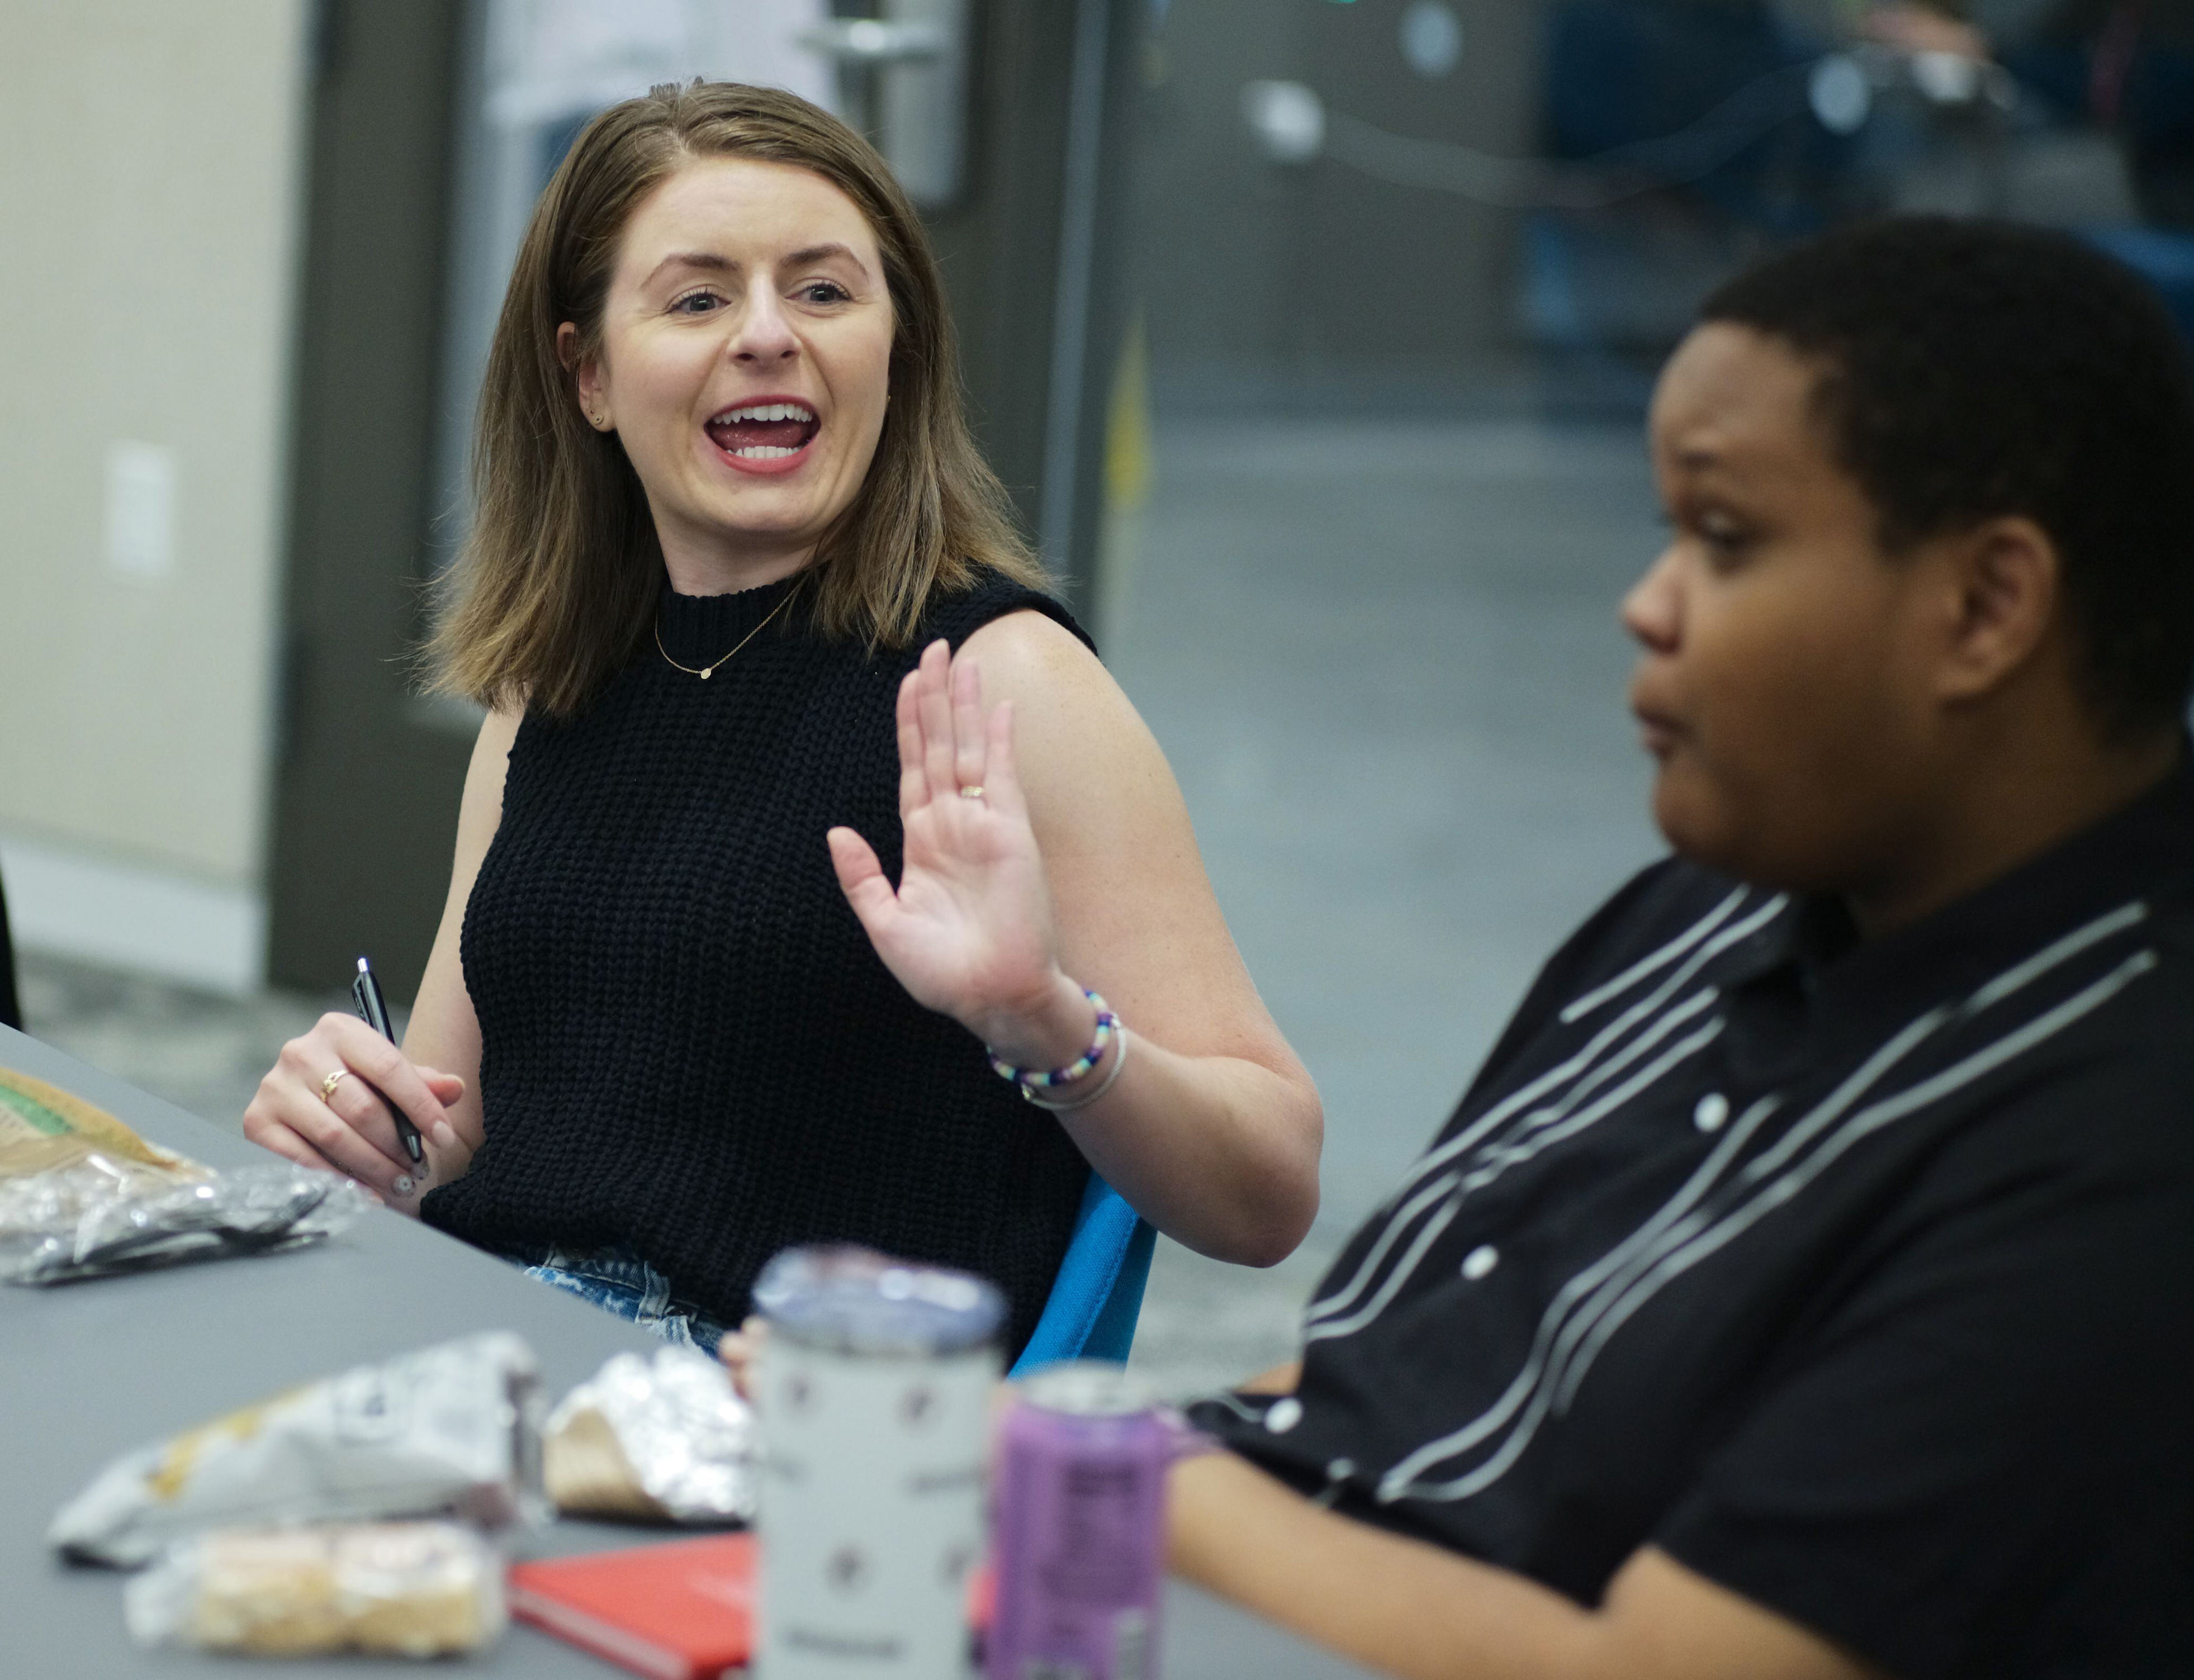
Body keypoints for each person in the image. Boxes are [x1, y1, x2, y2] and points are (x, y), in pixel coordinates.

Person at [879, 217, 2192, 1675]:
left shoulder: (2113, 1144)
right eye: (1664, 534)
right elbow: (1363, 1371)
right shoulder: (1717, 907)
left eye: (1725, 538)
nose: (1646, 604)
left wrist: (1071, 1458)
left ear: (1983, 605)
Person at [241, 81, 1321, 1359]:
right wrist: (356, 1126)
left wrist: (1044, 1022)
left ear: (894, 349)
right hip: (506, 1371)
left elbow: (1269, 1192)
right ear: (585, 372)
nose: (768, 335)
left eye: (822, 291)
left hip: (793, 1441)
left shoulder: (1004, 684)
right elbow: (459, 1141)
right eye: (698, 298)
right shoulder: (551, 680)